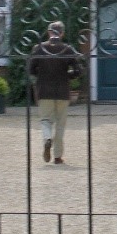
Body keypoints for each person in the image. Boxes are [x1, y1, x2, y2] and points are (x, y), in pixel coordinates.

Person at [28, 20, 84, 164]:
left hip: (44, 91)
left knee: (46, 120)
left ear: (49, 32)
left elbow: (31, 70)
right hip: (62, 91)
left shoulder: (39, 48)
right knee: (60, 124)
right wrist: (68, 76)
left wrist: (41, 75)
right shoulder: (67, 49)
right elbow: (79, 70)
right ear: (62, 33)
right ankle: (58, 156)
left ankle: (47, 138)